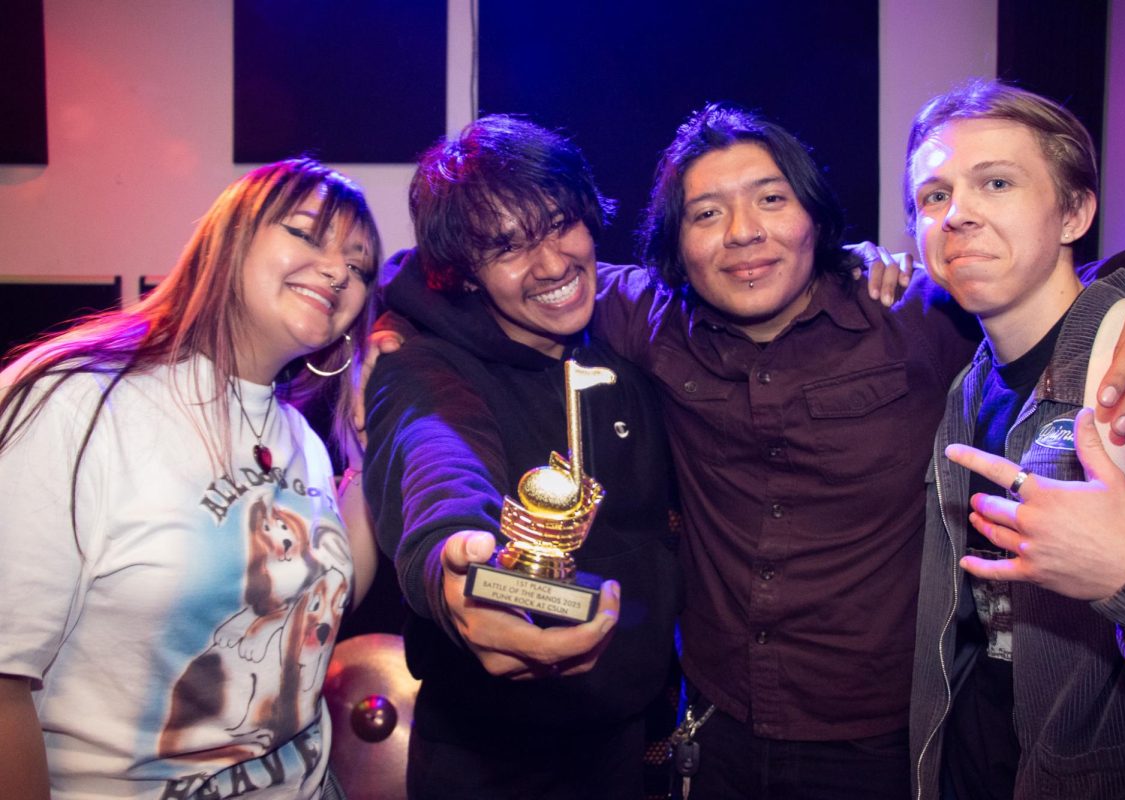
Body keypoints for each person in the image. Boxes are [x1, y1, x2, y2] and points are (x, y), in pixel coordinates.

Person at [585, 102, 1125, 799]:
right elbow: (530, 275)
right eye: (705, 213)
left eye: (771, 199)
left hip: (887, 746)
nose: (744, 232)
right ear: (676, 243)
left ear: (814, 217)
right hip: (727, 726)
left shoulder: (925, 318)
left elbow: (1061, 281)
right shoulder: (653, 318)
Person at [0, 158, 383, 800]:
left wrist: (373, 455)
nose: (341, 271)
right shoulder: (72, 403)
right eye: (308, 234)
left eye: (360, 265)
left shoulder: (300, 437)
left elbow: (321, 603)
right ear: (229, 238)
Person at [362, 116, 681, 799]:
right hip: (488, 766)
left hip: (632, 749)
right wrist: (456, 571)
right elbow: (436, 462)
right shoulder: (421, 368)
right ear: (466, 275)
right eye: (507, 247)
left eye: (561, 224)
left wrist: (853, 267)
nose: (552, 264)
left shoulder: (626, 344)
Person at [906, 79, 1125, 799]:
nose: (957, 215)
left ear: (1074, 212)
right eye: (933, 196)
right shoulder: (969, 384)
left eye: (996, 182)